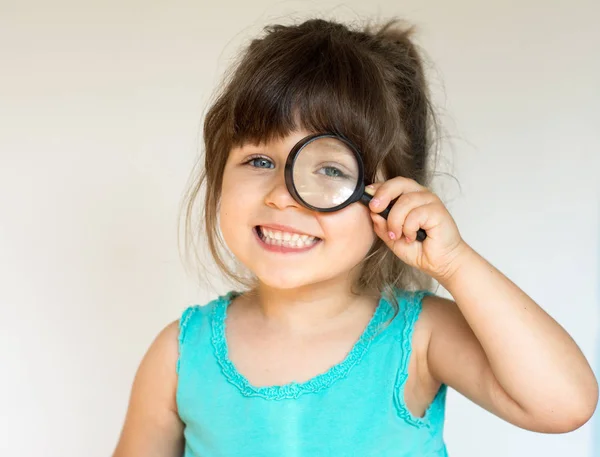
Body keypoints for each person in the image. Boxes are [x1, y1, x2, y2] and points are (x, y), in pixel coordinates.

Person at [112, 17, 598, 457]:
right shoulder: (180, 354)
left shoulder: (419, 337)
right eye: (259, 161)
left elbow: (565, 404)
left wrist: (456, 263)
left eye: (329, 169)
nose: (284, 195)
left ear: (389, 194)